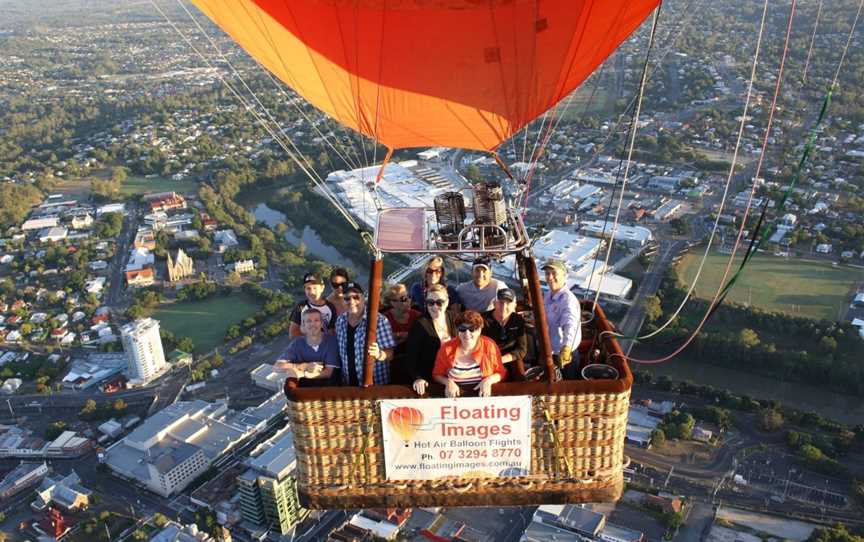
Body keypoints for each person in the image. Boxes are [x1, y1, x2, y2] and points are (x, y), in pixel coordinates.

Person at [432, 310, 506, 397]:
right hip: (455, 397)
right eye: (462, 329)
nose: (467, 333)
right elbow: (436, 375)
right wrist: (448, 382)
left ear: (479, 330)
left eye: (472, 329)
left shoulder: (489, 345)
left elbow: (501, 372)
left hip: (483, 396)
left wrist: (489, 380)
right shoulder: (446, 348)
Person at [335, 282, 397, 386]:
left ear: (364, 299)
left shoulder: (379, 321)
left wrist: (379, 354)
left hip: (376, 386)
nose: (351, 301)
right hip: (348, 384)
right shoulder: (340, 321)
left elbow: (390, 354)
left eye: (356, 297)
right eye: (347, 299)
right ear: (343, 302)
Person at [405, 284, 456, 395]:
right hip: (429, 381)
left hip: (455, 378)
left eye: (439, 302)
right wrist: (417, 378)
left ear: (447, 302)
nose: (434, 306)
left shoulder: (454, 318)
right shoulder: (420, 324)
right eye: (430, 302)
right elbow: (410, 357)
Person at [277, 309, 340, 387]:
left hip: (329, 389)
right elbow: (277, 366)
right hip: (304, 390)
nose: (312, 324)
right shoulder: (297, 343)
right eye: (308, 321)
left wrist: (303, 373)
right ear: (303, 325)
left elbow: (329, 372)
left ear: (321, 323)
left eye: (316, 320)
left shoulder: (332, 341)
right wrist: (304, 366)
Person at [542, 259, 582, 379]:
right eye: (547, 273)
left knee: (567, 385)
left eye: (554, 273)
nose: (550, 277)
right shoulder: (548, 294)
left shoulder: (568, 300)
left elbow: (570, 324)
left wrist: (566, 348)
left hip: (565, 355)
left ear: (565, 276)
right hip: (551, 350)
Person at [481, 288, 528, 381]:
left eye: (508, 303)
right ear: (495, 303)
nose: (504, 306)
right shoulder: (483, 319)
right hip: (488, 358)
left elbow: (522, 349)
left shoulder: (518, 320)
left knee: (520, 376)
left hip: (511, 358)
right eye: (501, 302)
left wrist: (501, 360)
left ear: (515, 305)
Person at [383, 283, 421, 384]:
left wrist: (397, 336)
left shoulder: (417, 316)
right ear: (393, 303)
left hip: (414, 362)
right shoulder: (384, 319)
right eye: (404, 298)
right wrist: (405, 336)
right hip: (392, 364)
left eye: (409, 297)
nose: (409, 301)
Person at [289, 272, 338, 337]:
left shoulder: (330, 307)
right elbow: (293, 333)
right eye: (308, 288)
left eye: (315, 288)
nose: (312, 292)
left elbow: (331, 331)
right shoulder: (301, 307)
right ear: (304, 290)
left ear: (322, 288)